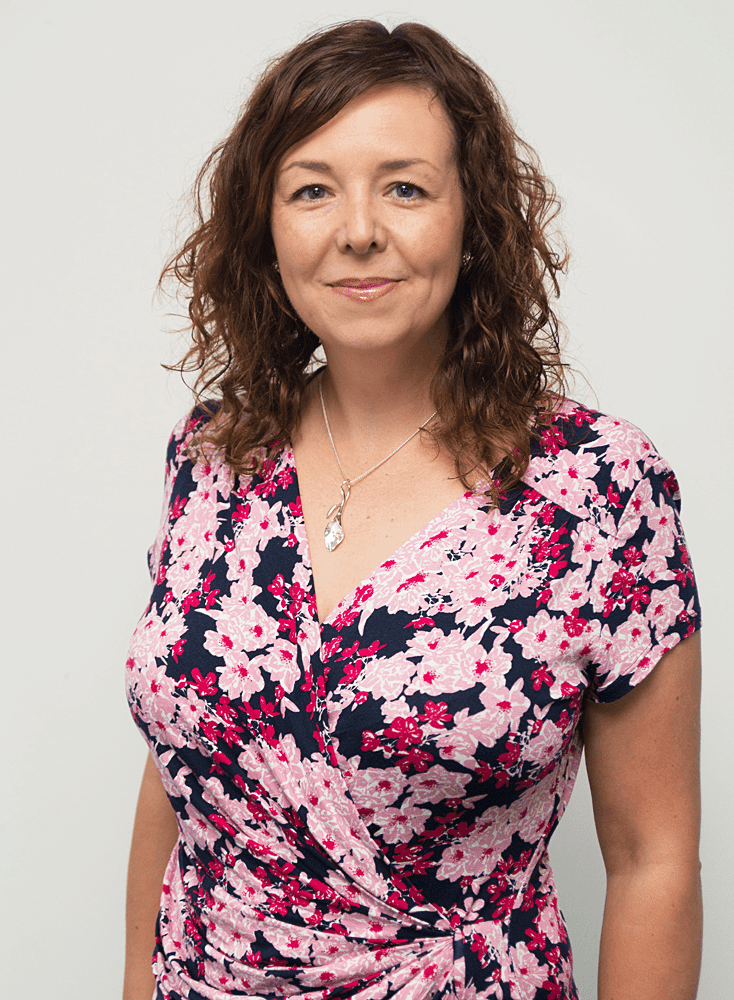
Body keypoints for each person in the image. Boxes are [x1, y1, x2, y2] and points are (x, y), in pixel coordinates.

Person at [123, 20, 702, 1000]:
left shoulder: (596, 488)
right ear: (265, 227)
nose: (357, 229)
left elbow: (653, 855)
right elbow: (186, 781)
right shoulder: (212, 453)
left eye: (405, 186)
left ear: (471, 219)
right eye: (313, 188)